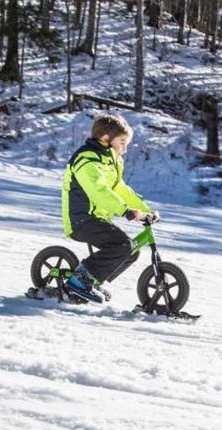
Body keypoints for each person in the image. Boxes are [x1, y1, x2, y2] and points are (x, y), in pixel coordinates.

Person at [60, 113, 157, 303]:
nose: (125, 148)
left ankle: (91, 281)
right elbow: (99, 191)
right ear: (106, 139)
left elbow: (120, 189)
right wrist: (125, 211)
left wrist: (145, 209)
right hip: (81, 219)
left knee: (131, 250)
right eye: (122, 142)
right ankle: (79, 280)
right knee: (121, 246)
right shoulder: (86, 160)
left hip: (97, 219)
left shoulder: (110, 160)